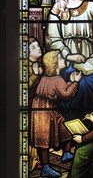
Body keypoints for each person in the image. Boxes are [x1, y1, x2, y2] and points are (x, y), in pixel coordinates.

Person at [30, 50, 82, 177]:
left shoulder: (48, 77)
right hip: (43, 111)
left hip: (43, 107)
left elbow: (60, 90)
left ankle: (66, 154)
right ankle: (46, 168)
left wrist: (70, 82)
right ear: (54, 64)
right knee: (43, 138)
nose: (63, 59)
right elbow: (66, 94)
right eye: (60, 58)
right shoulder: (57, 79)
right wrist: (75, 82)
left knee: (65, 128)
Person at [29, 37, 43, 171]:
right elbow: (25, 85)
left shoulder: (40, 64)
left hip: (36, 104)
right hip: (27, 104)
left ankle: (37, 159)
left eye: (37, 46)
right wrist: (35, 74)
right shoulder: (25, 66)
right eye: (33, 48)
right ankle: (31, 162)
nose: (38, 48)